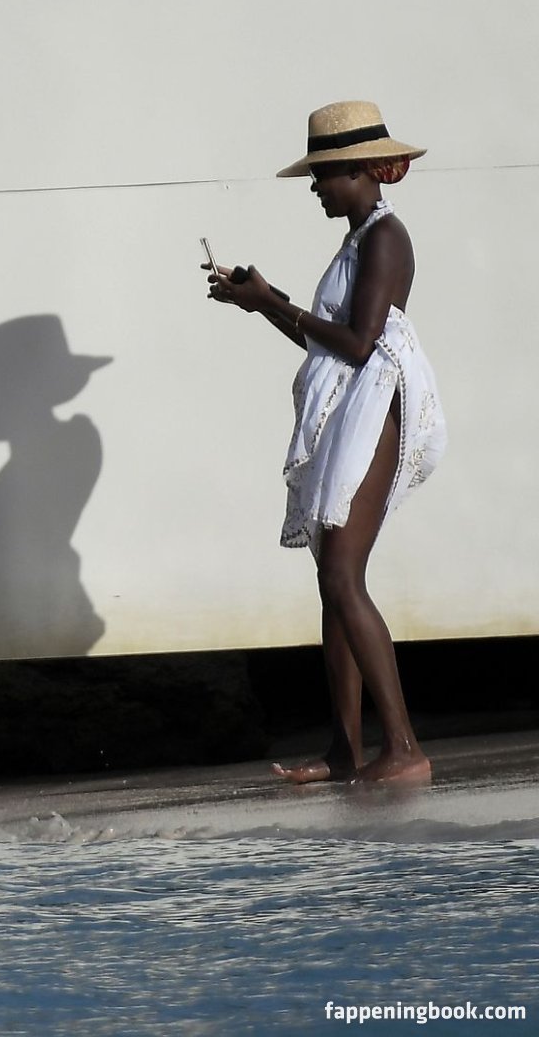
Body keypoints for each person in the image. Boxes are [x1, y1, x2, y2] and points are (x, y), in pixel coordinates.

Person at [207, 101, 445, 784]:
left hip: (375, 414)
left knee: (342, 575)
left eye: (322, 175)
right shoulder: (358, 239)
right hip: (354, 410)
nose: (315, 187)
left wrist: (275, 302)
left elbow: (360, 343)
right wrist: (260, 302)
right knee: (332, 580)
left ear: (359, 172)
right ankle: (346, 750)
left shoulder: (385, 237)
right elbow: (327, 345)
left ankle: (404, 750)